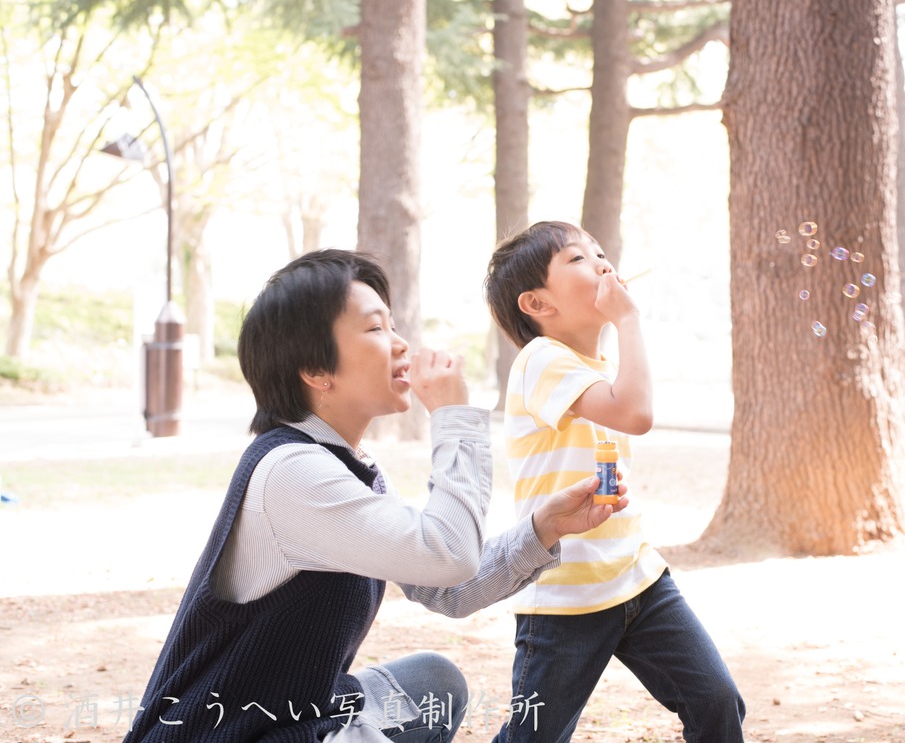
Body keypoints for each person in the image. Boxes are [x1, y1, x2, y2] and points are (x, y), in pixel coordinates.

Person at [123, 248, 627, 743]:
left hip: (290, 717)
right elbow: (449, 554)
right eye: (374, 329)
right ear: (316, 370)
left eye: (392, 325)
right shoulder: (293, 474)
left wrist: (544, 529)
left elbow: (446, 588)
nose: (401, 344)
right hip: (230, 731)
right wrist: (452, 419)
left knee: (434, 684)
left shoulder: (346, 466)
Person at [483, 221, 746, 742]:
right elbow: (635, 412)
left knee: (716, 701)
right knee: (535, 737)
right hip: (565, 598)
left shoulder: (592, 364)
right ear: (536, 304)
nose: (602, 263)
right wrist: (629, 319)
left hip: (637, 577)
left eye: (600, 253)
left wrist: (623, 325)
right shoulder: (541, 361)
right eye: (578, 259)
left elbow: (629, 402)